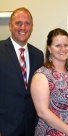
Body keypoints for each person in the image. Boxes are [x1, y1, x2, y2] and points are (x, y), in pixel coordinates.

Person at [31, 28, 68, 136]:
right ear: (49, 49)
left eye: (66, 45)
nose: (63, 49)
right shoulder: (41, 76)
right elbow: (42, 112)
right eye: (58, 45)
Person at [0, 7, 44, 136]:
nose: (23, 27)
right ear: (10, 25)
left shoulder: (38, 55)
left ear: (32, 27)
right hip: (5, 127)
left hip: (31, 127)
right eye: (18, 23)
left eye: (27, 24)